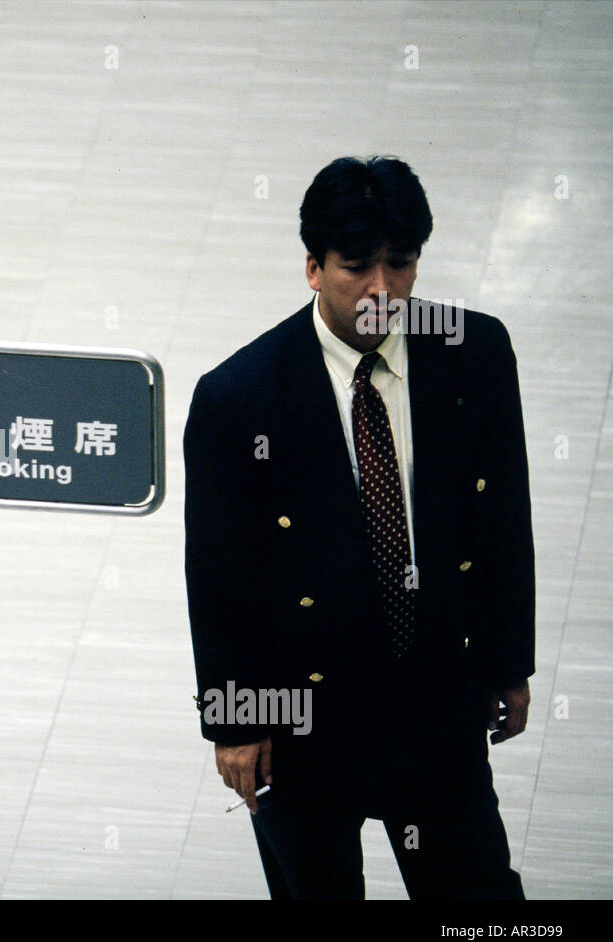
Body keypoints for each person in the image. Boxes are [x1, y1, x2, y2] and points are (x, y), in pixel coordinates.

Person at [182, 155, 534, 899]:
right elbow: (219, 574)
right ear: (312, 266)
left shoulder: (474, 352)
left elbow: (502, 520)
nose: (382, 290)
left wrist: (508, 662)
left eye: (400, 264)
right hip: (301, 723)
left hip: (437, 704)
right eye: (356, 266)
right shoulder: (238, 397)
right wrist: (235, 720)